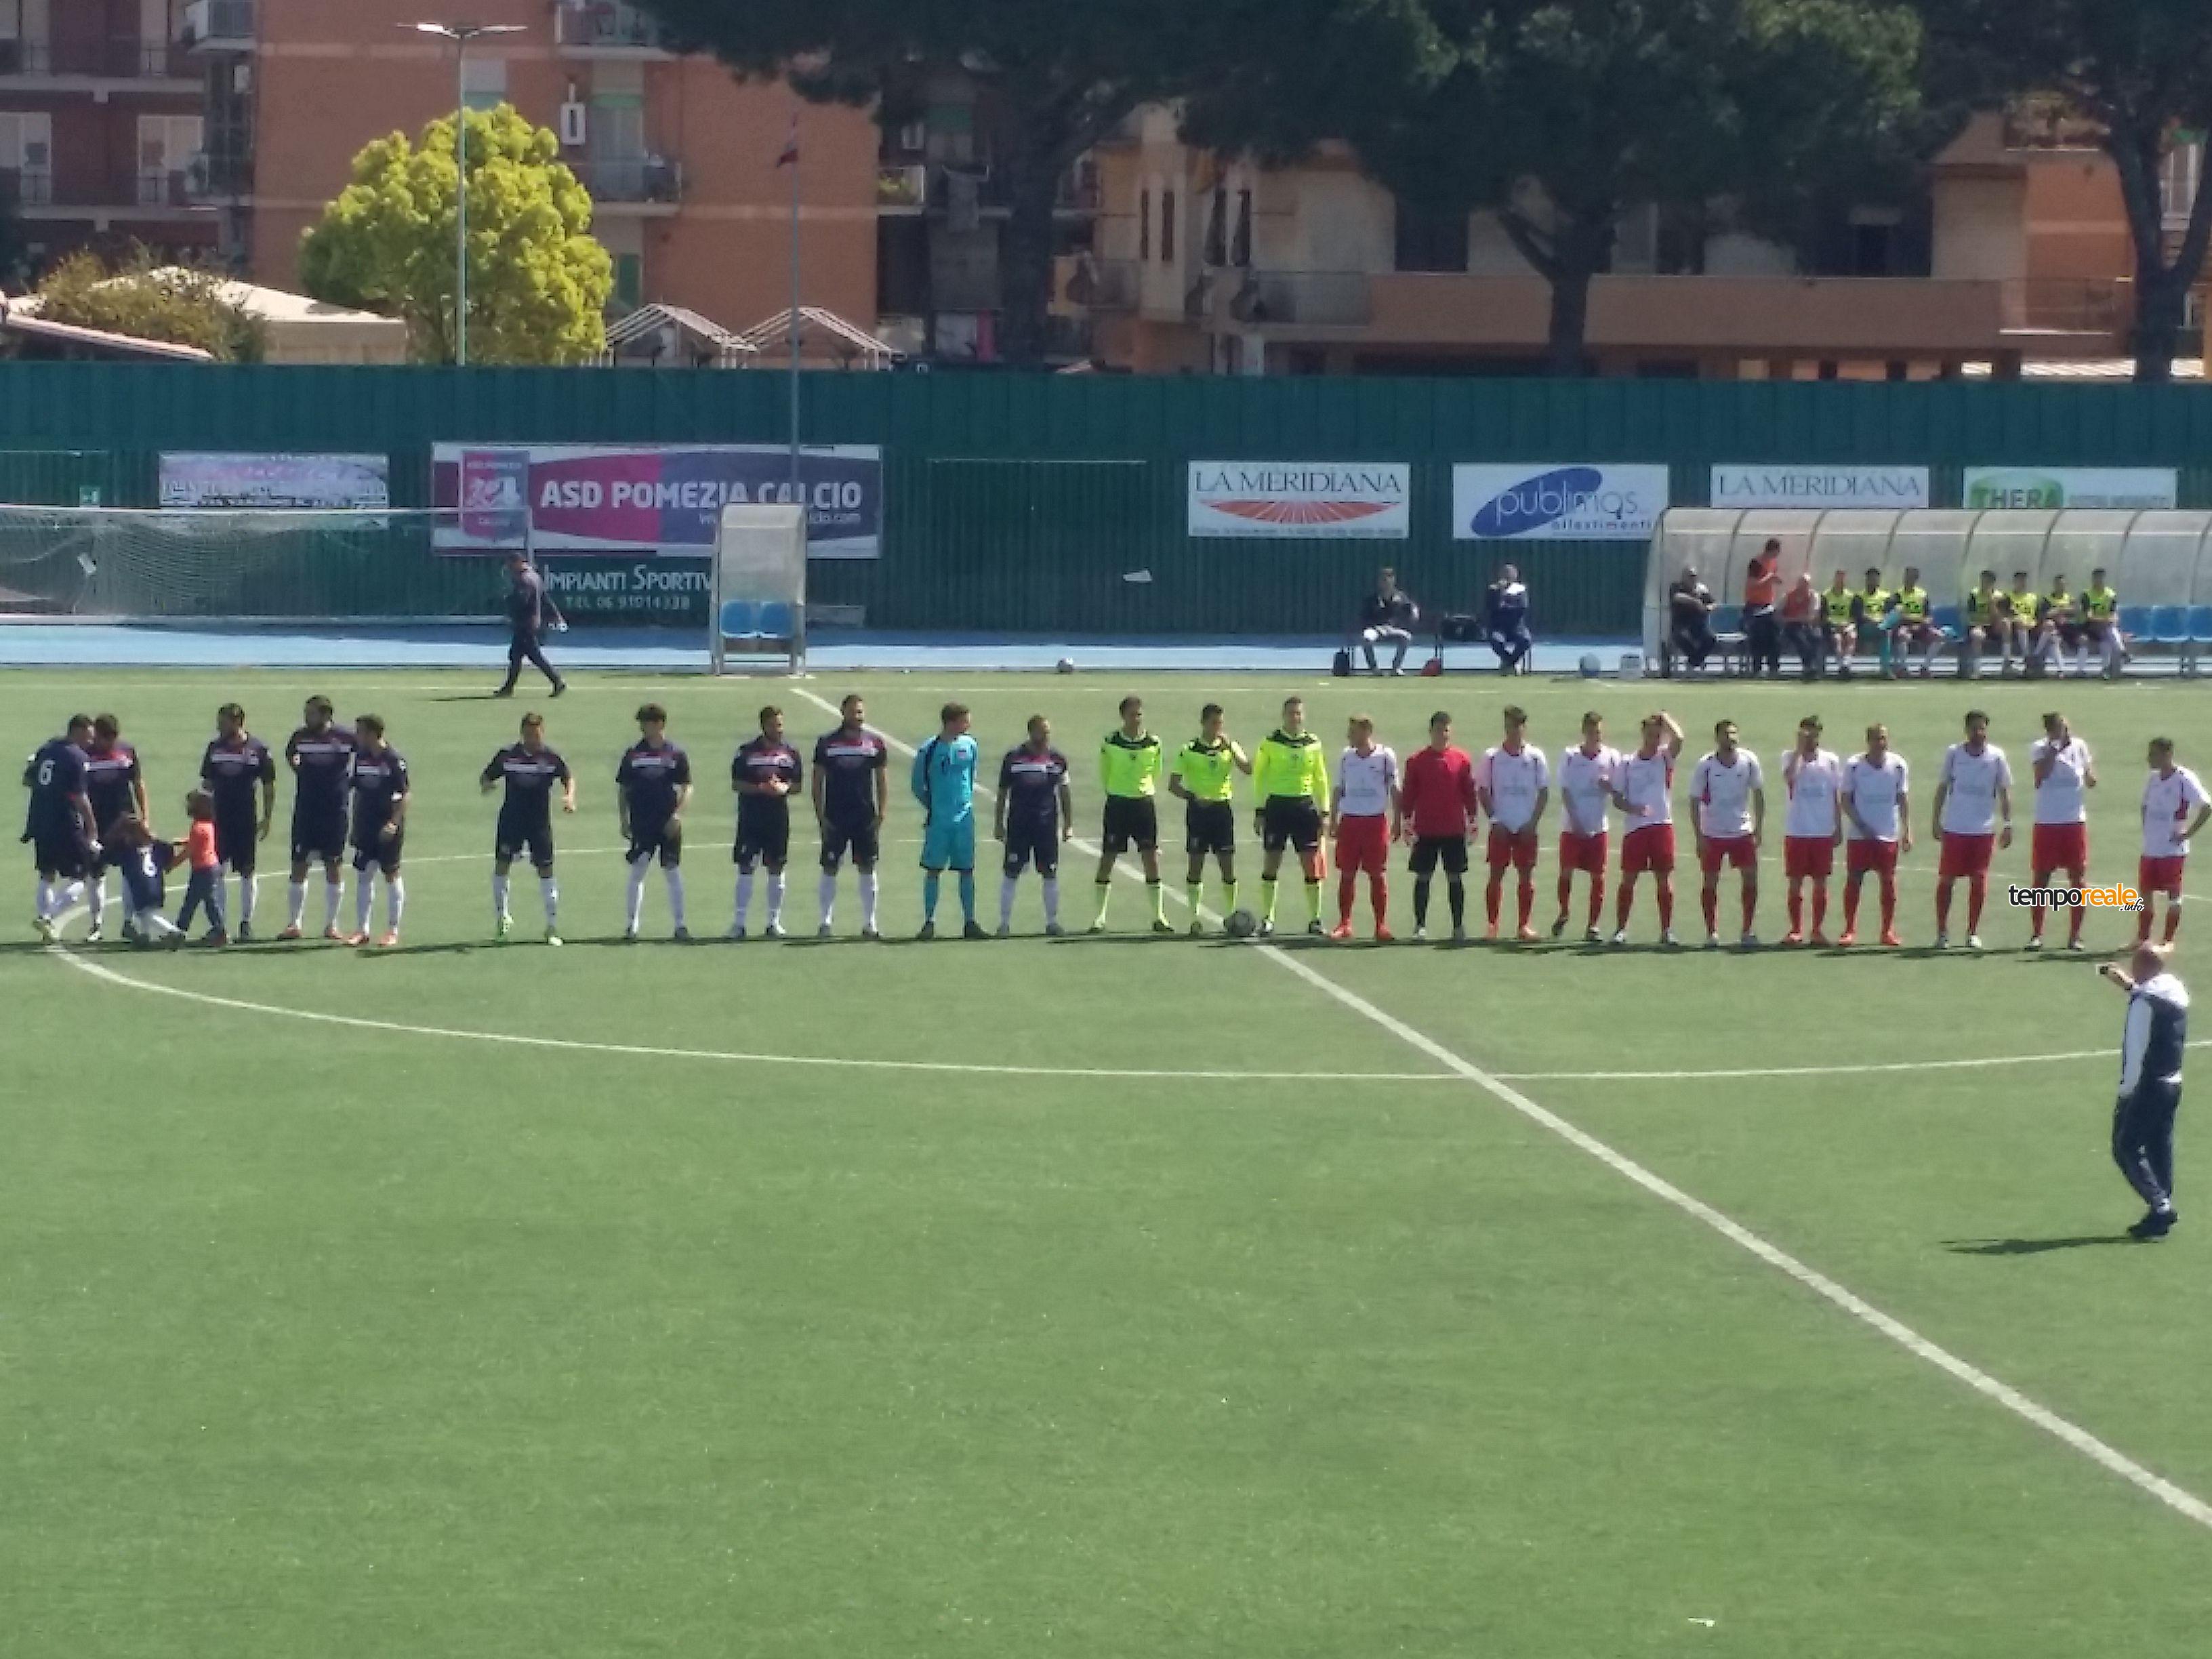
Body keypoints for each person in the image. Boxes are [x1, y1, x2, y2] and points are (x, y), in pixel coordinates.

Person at [2101, 944, 2189, 1240]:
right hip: (2173, 1082)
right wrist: (2129, 986)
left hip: (2148, 1086)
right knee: (2159, 1147)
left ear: (2143, 968)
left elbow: (2135, 1051)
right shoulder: (2173, 991)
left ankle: (2161, 1206)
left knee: (2125, 1146)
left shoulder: (2143, 1004)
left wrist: (2126, 1093)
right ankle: (2159, 1211)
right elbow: (2149, 996)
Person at [482, 711, 574, 945]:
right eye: (528, 734)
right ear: (522, 733)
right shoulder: (507, 756)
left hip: (539, 824)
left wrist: (569, 797)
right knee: (502, 866)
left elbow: (568, 777)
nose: (533, 739)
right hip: (511, 820)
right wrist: (487, 785)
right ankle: (503, 917)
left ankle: (551, 927)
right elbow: (486, 776)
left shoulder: (551, 758)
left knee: (546, 871)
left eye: (536, 734)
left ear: (542, 732)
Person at [1931, 708, 2013, 950]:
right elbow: (1942, 788)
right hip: (1956, 828)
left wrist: (2008, 824)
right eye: (1975, 728)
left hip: (1983, 830)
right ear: (1966, 730)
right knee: (1947, 880)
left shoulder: (1997, 757)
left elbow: (2004, 792)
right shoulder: (1954, 754)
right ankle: (1942, 932)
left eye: (1983, 728)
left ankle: (1972, 932)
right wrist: (1936, 820)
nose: (1979, 733)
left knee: (1979, 881)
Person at [1252, 696, 1332, 937]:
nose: (1295, 718)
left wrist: (1325, 811)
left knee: (1310, 864)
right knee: (1272, 861)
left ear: (1303, 716)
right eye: (1291, 713)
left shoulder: (1313, 743)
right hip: (1277, 805)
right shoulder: (1270, 743)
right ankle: (1268, 918)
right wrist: (1259, 810)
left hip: (1304, 807)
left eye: (1298, 713)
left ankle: (1315, 918)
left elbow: (1321, 777)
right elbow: (1259, 778)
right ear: (1283, 715)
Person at [1168, 703, 1249, 936]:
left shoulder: (1229, 748)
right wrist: (1193, 797)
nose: (1218, 727)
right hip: (1198, 812)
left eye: (1221, 723)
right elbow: (1173, 785)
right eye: (1214, 723)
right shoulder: (1189, 750)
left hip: (1222, 810)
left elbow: (1248, 769)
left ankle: (1231, 916)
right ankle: (1194, 919)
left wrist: (1232, 748)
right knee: (1196, 865)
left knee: (1227, 865)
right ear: (1203, 723)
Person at [1092, 695, 1170, 934]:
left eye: (1139, 714)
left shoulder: (1154, 743)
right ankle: (1099, 917)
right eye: (1131, 714)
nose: (1136, 719)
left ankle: (1159, 916)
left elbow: (1156, 772)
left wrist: (1142, 790)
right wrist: (1118, 791)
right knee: (1108, 858)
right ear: (1123, 716)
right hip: (1117, 804)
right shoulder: (1110, 742)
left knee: (1151, 859)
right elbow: (1105, 773)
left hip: (1144, 805)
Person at [812, 695, 888, 939]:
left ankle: (870, 923)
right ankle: (825, 922)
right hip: (836, 814)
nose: (858, 716)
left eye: (861, 712)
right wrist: (821, 816)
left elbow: (882, 779)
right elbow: (817, 781)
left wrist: (882, 811)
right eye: (854, 712)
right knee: (830, 867)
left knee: (868, 867)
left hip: (865, 815)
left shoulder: (874, 743)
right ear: (843, 712)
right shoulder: (827, 743)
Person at [279, 695, 353, 941]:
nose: (306, 717)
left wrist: (348, 783)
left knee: (334, 866)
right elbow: (290, 755)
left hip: (334, 811)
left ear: (325, 715)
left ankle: (332, 925)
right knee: (299, 865)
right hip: (306, 809)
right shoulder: (300, 736)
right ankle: (294, 923)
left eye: (310, 713)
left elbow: (365, 756)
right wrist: (296, 766)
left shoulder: (345, 737)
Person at [1400, 710, 1477, 943]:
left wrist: (1473, 818)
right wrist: (1406, 820)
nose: (1442, 735)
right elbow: (1409, 793)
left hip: (1453, 829)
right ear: (1431, 731)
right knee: (1423, 877)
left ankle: (1458, 926)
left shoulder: (1461, 759)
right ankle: (1420, 925)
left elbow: (1468, 792)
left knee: (1455, 878)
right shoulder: (1416, 761)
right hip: (1426, 829)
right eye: (1438, 730)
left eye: (1446, 730)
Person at [616, 702, 691, 942]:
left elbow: (687, 786)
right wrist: (624, 819)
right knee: (637, 871)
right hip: (642, 821)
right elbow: (624, 788)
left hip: (667, 822)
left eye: (645, 723)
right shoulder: (633, 754)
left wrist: (677, 815)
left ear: (659, 724)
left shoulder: (676, 754)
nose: (642, 729)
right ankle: (631, 925)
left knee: (672, 871)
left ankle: (680, 925)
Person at [200, 703, 274, 943]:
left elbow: (268, 785)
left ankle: (246, 923)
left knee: (247, 871)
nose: (219, 726)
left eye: (223, 722)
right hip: (219, 819)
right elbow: (207, 784)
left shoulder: (258, 749)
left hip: (245, 818)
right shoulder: (214, 748)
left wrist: (267, 817)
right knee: (217, 870)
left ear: (238, 722)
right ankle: (220, 924)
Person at [1612, 710, 1685, 947]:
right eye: (1651, 735)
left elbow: (1680, 738)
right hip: (1635, 829)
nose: (1654, 741)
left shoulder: (1665, 758)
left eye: (1658, 736)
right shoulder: (1627, 763)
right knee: (1628, 880)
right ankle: (1621, 929)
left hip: (1662, 826)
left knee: (1664, 879)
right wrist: (1633, 809)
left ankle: (1667, 930)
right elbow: (1617, 798)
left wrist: (1666, 717)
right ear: (1643, 734)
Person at [1691, 718, 1765, 949]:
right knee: (1710, 880)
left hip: (1741, 831)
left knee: (1750, 878)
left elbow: (1759, 794)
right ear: (1717, 738)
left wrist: (1759, 828)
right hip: (1712, 831)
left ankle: (1747, 930)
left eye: (1734, 733)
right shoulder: (1706, 765)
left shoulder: (1749, 761)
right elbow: (1693, 801)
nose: (1731, 738)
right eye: (1726, 734)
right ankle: (1711, 932)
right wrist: (1699, 836)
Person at [22, 712, 98, 942]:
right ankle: (48, 918)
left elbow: (27, 780)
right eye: (88, 736)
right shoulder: (77, 757)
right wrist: (92, 828)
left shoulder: (47, 749)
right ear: (77, 731)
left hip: (39, 819)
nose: (91, 742)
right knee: (80, 877)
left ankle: (46, 927)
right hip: (65, 822)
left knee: (47, 874)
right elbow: (80, 797)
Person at [912, 702, 984, 940]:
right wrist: (934, 807)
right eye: (965, 720)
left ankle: (970, 921)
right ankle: (929, 921)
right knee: (933, 870)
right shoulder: (929, 749)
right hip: (939, 821)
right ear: (952, 722)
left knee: (967, 870)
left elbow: (971, 776)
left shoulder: (970, 745)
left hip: (964, 819)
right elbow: (917, 785)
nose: (969, 724)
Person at [996, 715, 1073, 937]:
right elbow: (1002, 793)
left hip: (1046, 825)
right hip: (1019, 825)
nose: (1046, 736)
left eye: (1048, 731)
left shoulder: (1057, 759)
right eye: (1042, 731)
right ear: (1031, 732)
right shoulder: (1013, 758)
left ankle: (1052, 922)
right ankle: (1004, 923)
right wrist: (998, 823)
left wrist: (1068, 824)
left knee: (1050, 873)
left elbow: (1065, 792)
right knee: (1011, 873)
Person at [729, 705, 800, 941]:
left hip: (777, 818)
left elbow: (797, 786)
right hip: (751, 817)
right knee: (746, 868)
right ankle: (739, 924)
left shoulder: (791, 753)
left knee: (776, 868)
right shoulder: (746, 752)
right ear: (763, 726)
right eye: (773, 725)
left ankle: (773, 922)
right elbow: (737, 784)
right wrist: (760, 788)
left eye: (780, 724)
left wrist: (783, 789)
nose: (778, 729)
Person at [1479, 704, 1549, 942]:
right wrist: (1494, 819)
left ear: (1524, 727)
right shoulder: (1491, 757)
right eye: (1509, 726)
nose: (1513, 731)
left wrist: (1533, 823)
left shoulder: (1536, 757)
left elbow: (1543, 792)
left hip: (1525, 826)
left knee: (1526, 876)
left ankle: (1523, 925)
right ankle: (1492, 925)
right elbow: (1483, 791)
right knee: (1496, 874)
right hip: (1501, 826)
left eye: (1517, 726)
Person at [2027, 712, 2095, 953]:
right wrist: (2054, 752)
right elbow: (2039, 777)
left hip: (2074, 821)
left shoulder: (2080, 747)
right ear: (2050, 730)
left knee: (2077, 878)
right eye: (2059, 728)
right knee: (2042, 879)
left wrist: (2090, 777)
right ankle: (2037, 934)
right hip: (2047, 821)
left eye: (2066, 726)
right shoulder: (2039, 748)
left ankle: (2075, 936)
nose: (2065, 731)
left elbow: (2089, 776)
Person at [1329, 714, 1399, 941]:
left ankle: (1381, 925)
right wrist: (1333, 819)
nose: (1349, 735)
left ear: (1366, 731)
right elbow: (1338, 789)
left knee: (1377, 874)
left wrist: (1398, 820)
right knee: (1347, 874)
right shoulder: (1346, 756)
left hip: (1375, 822)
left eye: (1353, 731)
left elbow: (1395, 791)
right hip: (1350, 821)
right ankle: (1345, 923)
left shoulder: (1385, 756)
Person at [1841, 723, 1910, 947]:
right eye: (1877, 738)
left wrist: (1907, 830)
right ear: (1868, 741)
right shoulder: (1854, 766)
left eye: (1884, 738)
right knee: (1854, 880)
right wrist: (1860, 824)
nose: (1881, 743)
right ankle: (1850, 930)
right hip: (1860, 836)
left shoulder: (1898, 765)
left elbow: (1903, 799)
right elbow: (1845, 800)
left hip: (1888, 833)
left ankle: (1887, 931)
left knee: (1888, 882)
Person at [2137, 737, 2212, 947]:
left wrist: (2187, 834)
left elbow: (2206, 807)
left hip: (2172, 850)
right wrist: (2148, 828)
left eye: (2153, 754)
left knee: (2173, 894)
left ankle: (2167, 940)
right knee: (2145, 893)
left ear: (2167, 755)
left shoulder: (2183, 779)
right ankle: (2142, 938)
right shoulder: (2152, 779)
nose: (2149, 759)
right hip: (2151, 847)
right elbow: (2144, 805)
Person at [1553, 711, 1618, 943]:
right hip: (1572, 828)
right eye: (1591, 732)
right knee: (1566, 872)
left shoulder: (1611, 757)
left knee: (1598, 877)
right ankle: (1564, 911)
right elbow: (1566, 791)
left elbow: (1619, 790)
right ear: (1584, 732)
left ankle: (1593, 925)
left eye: (1598, 732)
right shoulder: (1570, 756)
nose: (1595, 737)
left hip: (1598, 827)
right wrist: (1576, 821)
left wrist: (1609, 787)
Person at [81, 712, 146, 942]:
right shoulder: (85, 756)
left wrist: (145, 815)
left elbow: (138, 782)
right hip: (97, 821)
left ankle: (129, 922)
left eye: (113, 739)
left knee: (130, 871)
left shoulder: (126, 752)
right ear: (96, 735)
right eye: (105, 739)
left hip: (125, 820)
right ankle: (96, 925)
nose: (109, 744)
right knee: (96, 873)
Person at [345, 714, 409, 948]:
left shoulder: (394, 760)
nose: (356, 736)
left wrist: (393, 823)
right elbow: (356, 789)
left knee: (391, 874)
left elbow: (405, 795)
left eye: (360, 732)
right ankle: (362, 930)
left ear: (372, 734)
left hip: (387, 826)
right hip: (366, 825)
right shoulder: (360, 758)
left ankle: (392, 930)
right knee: (363, 875)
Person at [1779, 716, 1843, 947]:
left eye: (1815, 734)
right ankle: (1796, 929)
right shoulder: (1789, 757)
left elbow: (1836, 795)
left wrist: (1838, 826)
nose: (1811, 739)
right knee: (1795, 882)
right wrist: (1798, 750)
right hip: (1797, 829)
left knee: (1821, 882)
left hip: (1822, 831)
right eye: (1807, 734)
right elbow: (1789, 778)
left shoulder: (1831, 761)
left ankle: (1817, 930)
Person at [495, 552, 567, 699]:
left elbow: (522, 601)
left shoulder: (524, 580)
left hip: (526, 624)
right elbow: (545, 598)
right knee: (516, 656)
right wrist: (556, 615)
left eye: (510, 565)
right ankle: (508, 688)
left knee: (534, 656)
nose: (509, 569)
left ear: (517, 563)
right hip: (531, 623)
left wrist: (507, 601)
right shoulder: (535, 576)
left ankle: (557, 681)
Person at [106, 813, 181, 945]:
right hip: (157, 886)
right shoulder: (156, 846)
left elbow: (110, 857)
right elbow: (169, 849)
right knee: (148, 911)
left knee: (145, 914)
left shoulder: (128, 851)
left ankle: (173, 931)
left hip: (142, 888)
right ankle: (144, 935)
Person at [174, 789, 227, 945]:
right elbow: (199, 841)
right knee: (204, 901)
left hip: (203, 870)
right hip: (210, 867)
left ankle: (180, 931)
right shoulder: (207, 824)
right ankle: (182, 930)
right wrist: (184, 840)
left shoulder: (198, 827)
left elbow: (189, 852)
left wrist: (172, 864)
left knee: (194, 902)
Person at [1883, 565, 1945, 679]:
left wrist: (1922, 623)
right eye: (1906, 577)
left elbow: (1929, 617)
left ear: (1916, 579)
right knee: (1903, 635)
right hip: (1904, 627)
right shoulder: (1897, 595)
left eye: (1911, 578)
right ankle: (1903, 668)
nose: (1908, 580)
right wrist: (1916, 621)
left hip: (1921, 627)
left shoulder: (1922, 595)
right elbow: (1898, 616)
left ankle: (1925, 668)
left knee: (1939, 636)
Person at [1357, 567, 1418, 675]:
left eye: (1388, 579)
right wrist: (1376, 627)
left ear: (1394, 581)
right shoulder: (1373, 599)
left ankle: (1396, 668)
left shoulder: (1400, 597)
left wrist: (1415, 611)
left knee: (1407, 637)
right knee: (1366, 638)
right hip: (1376, 629)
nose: (1386, 583)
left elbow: (1411, 606)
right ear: (1379, 582)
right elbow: (1364, 618)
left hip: (1393, 629)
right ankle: (1374, 669)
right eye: (1383, 580)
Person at [1742, 537, 1784, 678]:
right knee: (1758, 634)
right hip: (1754, 606)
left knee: (1775, 634)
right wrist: (1769, 578)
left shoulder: (1773, 563)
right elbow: (1752, 584)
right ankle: (1757, 668)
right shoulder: (1756, 563)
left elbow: (1770, 581)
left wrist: (1774, 580)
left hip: (1767, 605)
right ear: (1772, 550)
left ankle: (1774, 667)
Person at [1668, 567, 1717, 674]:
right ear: (1684, 577)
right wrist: (1695, 602)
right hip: (1681, 624)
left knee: (1711, 639)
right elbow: (1677, 597)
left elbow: (1712, 603)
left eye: (1694, 577)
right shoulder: (1676, 587)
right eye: (1690, 577)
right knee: (1680, 637)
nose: (1693, 579)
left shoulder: (1701, 589)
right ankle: (1697, 662)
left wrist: (1709, 607)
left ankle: (1693, 662)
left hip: (1698, 625)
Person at [1486, 564, 1532, 674]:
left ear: (1515, 576)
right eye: (1504, 574)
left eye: (1509, 575)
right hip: (1499, 627)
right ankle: (1510, 662)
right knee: (1495, 640)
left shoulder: (1520, 590)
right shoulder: (1493, 590)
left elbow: (1522, 607)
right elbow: (1491, 607)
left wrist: (1505, 607)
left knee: (1526, 640)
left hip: (1517, 628)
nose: (1507, 577)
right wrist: (1500, 593)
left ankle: (1509, 664)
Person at [1964, 570, 2008, 678]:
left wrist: (1992, 602)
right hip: (1978, 625)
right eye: (1982, 581)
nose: (1984, 584)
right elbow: (1971, 615)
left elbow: (2000, 616)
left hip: (1993, 626)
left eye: (1987, 582)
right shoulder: (1974, 594)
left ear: (1992, 583)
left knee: (2006, 623)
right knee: (1977, 635)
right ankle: (1977, 670)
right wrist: (1986, 618)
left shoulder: (2000, 596)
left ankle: (2007, 662)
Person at [2081, 567, 2125, 678]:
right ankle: (2122, 652)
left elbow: (2114, 614)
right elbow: (2089, 617)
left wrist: (2112, 620)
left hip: (2106, 628)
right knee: (2109, 631)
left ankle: (2106, 670)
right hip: (2092, 627)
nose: (2098, 580)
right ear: (2093, 579)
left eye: (2100, 578)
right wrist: (2105, 620)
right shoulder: (2087, 595)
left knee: (2107, 638)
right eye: (2096, 578)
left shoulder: (2111, 594)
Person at [1780, 573, 1822, 680]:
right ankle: (1809, 667)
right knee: (1799, 637)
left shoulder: (1814, 596)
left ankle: (1811, 667)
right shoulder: (1788, 596)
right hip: (1790, 626)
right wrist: (1794, 619)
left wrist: (1799, 618)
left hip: (1808, 626)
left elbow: (1812, 617)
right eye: (1802, 583)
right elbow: (1777, 615)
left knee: (1816, 637)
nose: (1803, 586)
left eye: (1806, 584)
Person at [1819, 571, 1860, 679]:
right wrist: (1835, 625)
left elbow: (1854, 617)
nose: (1840, 582)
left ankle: (1846, 664)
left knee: (1852, 637)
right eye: (1838, 579)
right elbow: (1823, 616)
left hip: (1847, 626)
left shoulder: (1851, 597)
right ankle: (1842, 666)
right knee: (1837, 639)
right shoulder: (1825, 596)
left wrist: (1848, 626)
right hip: (1832, 627)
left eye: (1842, 579)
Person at [2002, 571, 2042, 675]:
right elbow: (2006, 614)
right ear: (2014, 582)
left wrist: (2033, 623)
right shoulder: (2008, 597)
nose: (2022, 583)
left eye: (2024, 580)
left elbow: (2038, 616)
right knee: (2018, 624)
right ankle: (2020, 659)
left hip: (2031, 626)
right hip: (2015, 627)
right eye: (2019, 581)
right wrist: (2017, 620)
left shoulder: (2033, 597)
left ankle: (2031, 660)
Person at [2042, 574, 2081, 675]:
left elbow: (2076, 612)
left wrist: (2060, 610)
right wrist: (2061, 610)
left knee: (2083, 640)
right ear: (2054, 585)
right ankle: (2061, 670)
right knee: (2054, 639)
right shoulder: (2048, 599)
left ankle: (2080, 671)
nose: (2061, 586)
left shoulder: (2070, 599)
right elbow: (2047, 614)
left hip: (2068, 628)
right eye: (2058, 584)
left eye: (2063, 584)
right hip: (2054, 628)